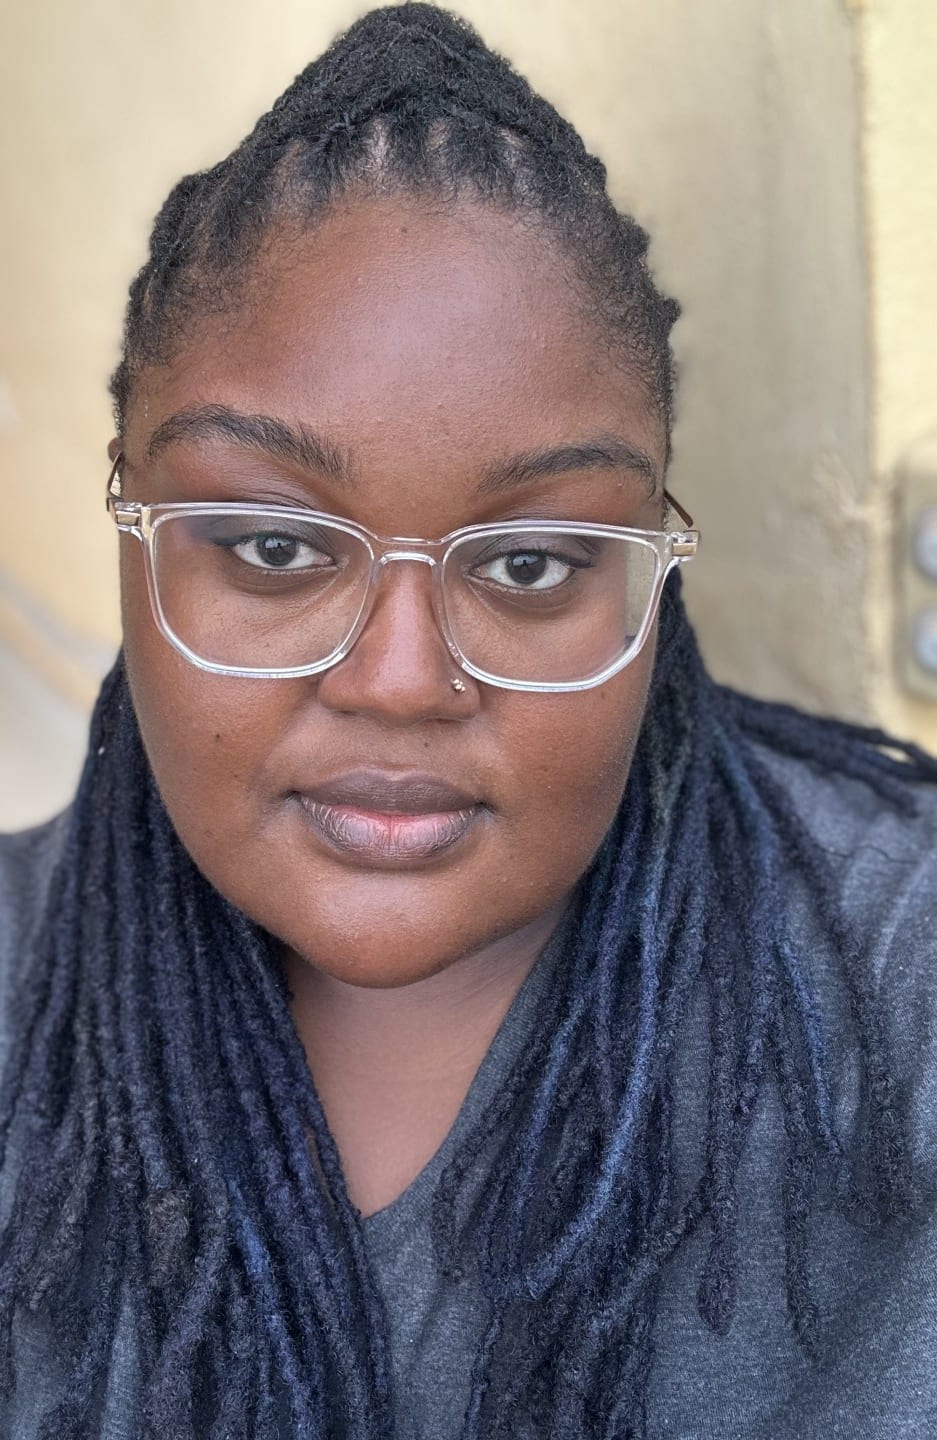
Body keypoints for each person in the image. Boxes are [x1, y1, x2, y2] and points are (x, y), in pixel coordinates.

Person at [1, 4, 935, 1437]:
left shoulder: (898, 979)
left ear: (651, 568)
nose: (398, 679)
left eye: (531, 565)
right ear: (132, 526)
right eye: (273, 547)